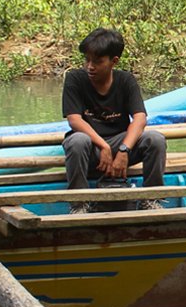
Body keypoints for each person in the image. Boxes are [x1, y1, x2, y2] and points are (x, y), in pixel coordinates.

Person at [61, 28, 168, 211]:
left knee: (156, 140)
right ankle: (79, 204)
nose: (90, 66)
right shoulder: (75, 79)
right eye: (87, 60)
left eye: (97, 61)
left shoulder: (126, 81)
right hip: (91, 147)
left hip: (120, 144)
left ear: (114, 61)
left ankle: (151, 199)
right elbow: (75, 120)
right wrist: (103, 146)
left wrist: (124, 150)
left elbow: (140, 118)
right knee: (78, 141)